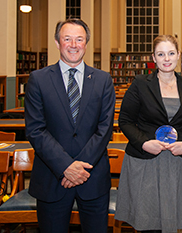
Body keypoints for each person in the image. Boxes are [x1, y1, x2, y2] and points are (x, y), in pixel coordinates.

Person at [25, 18, 115, 233]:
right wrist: (66, 166)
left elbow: (105, 129)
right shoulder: (38, 79)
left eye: (79, 39)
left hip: (92, 177)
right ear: (57, 42)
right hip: (52, 178)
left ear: (86, 43)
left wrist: (79, 167)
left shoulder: (103, 80)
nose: (73, 45)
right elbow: (35, 130)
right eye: (67, 39)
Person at [115, 35, 182, 233]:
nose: (166, 58)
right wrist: (144, 142)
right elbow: (125, 121)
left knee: (171, 222)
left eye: (171, 53)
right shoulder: (140, 84)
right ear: (153, 58)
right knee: (147, 222)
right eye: (161, 54)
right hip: (145, 161)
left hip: (176, 161)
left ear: (179, 55)